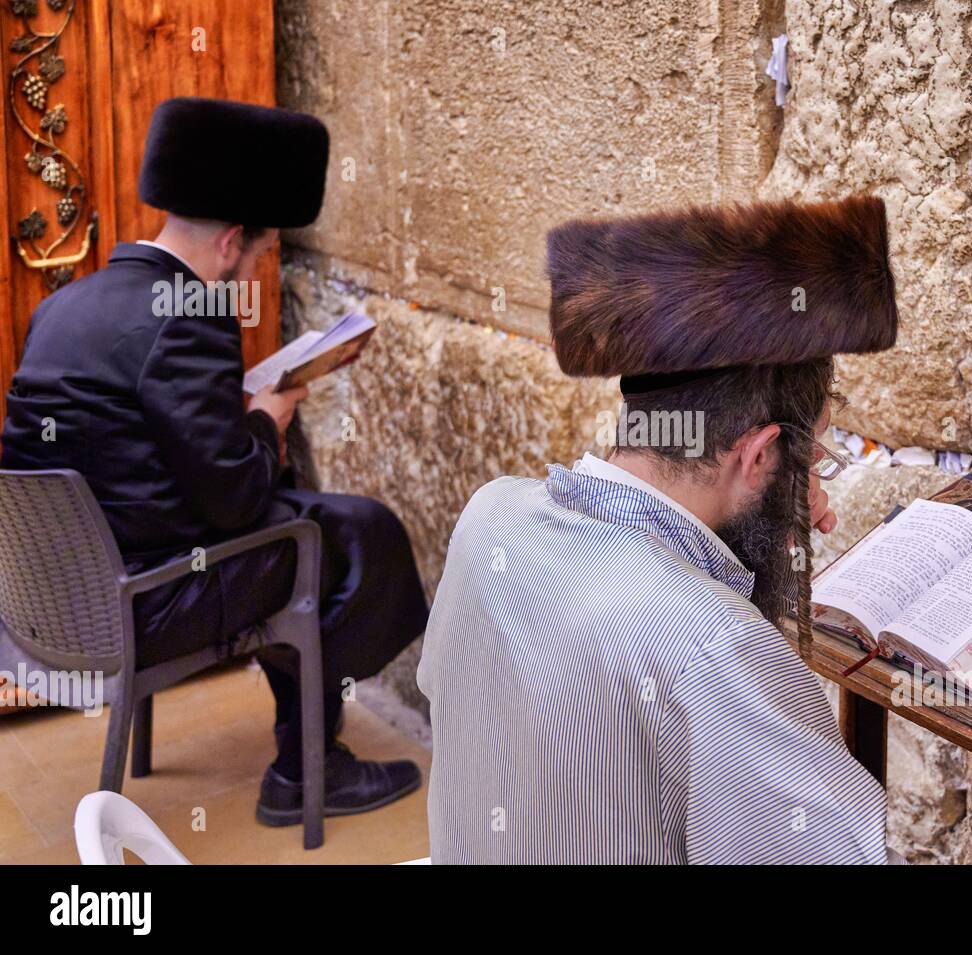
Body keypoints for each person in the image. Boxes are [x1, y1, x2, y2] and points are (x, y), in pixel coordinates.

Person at [418, 193, 902, 863]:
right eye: (812, 460)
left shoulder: (487, 518)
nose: (820, 505)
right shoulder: (712, 644)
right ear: (758, 454)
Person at [1, 97, 428, 827]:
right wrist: (265, 419)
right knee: (361, 536)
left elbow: (126, 436)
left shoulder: (69, 305)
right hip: (146, 601)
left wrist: (237, 405)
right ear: (232, 242)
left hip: (53, 603)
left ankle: (305, 742)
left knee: (314, 533)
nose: (256, 267)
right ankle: (304, 768)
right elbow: (233, 501)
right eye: (262, 253)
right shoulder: (190, 313)